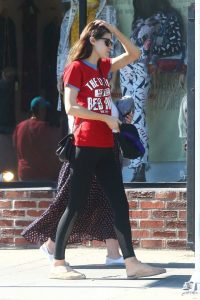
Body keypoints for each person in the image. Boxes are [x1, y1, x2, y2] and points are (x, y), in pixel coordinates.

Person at [49, 19, 166, 280]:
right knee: (75, 204)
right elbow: (70, 107)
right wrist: (105, 118)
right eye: (106, 42)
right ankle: (58, 263)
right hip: (85, 145)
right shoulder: (76, 68)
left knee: (120, 204)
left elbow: (134, 54)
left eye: (111, 42)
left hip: (106, 145)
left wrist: (113, 30)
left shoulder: (103, 67)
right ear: (92, 41)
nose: (110, 46)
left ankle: (131, 262)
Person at [22, 101, 133, 266]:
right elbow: (85, 118)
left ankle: (113, 252)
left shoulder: (102, 95)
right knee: (73, 205)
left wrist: (121, 122)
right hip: (84, 151)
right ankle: (52, 247)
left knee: (108, 204)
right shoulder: (81, 96)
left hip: (105, 151)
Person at [120, 0, 183, 182]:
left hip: (146, 67)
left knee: (138, 114)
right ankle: (133, 164)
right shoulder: (140, 18)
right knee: (127, 114)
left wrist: (151, 50)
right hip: (129, 67)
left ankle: (139, 166)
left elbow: (176, 44)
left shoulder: (170, 17)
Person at [13, 96, 62, 181]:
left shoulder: (19, 126)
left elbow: (15, 148)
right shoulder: (47, 128)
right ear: (42, 110)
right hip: (45, 175)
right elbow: (56, 151)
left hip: (24, 174)